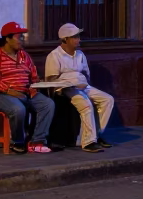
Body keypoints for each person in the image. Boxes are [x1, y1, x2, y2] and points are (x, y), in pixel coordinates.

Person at [0, 22, 54, 154]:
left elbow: (33, 76)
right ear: (7, 39)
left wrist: (35, 85)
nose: (22, 40)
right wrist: (9, 91)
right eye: (18, 37)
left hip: (25, 93)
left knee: (47, 104)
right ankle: (18, 142)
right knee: (18, 109)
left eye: (22, 37)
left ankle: (36, 141)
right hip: (0, 95)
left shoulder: (24, 56)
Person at [44, 23, 115, 153]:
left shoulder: (80, 54)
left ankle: (96, 135)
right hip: (65, 88)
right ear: (65, 39)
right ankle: (88, 142)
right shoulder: (54, 55)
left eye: (78, 37)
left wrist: (83, 83)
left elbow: (86, 74)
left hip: (82, 85)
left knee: (108, 99)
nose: (78, 40)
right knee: (86, 104)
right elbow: (51, 80)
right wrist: (71, 83)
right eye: (75, 37)